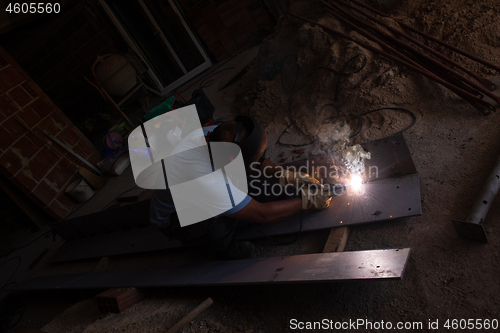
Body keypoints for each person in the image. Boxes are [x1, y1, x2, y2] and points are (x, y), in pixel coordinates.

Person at [150, 116, 332, 259]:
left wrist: (286, 175)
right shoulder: (207, 180)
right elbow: (262, 214)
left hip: (187, 189)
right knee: (223, 216)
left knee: (247, 178)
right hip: (174, 220)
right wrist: (306, 201)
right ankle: (223, 248)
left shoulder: (214, 135)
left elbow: (254, 161)